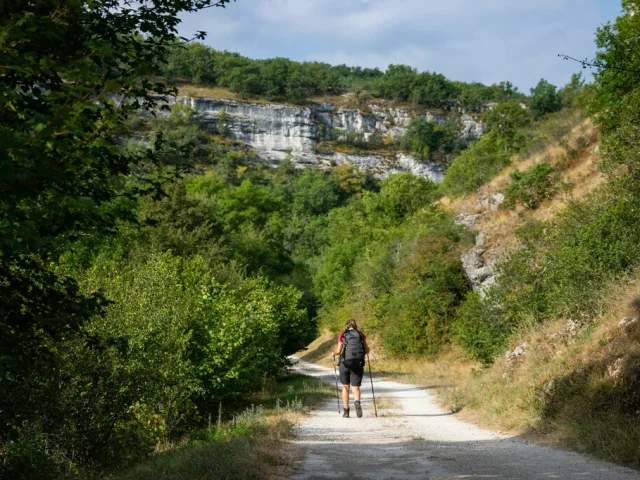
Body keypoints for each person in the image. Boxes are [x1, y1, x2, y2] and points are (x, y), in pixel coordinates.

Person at [330, 319, 370, 418]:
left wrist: (333, 353)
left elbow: (339, 351)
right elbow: (366, 350)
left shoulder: (342, 334)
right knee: (355, 388)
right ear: (355, 325)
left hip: (345, 364)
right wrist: (367, 350)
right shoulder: (361, 334)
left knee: (346, 387)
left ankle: (346, 411)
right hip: (357, 363)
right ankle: (357, 402)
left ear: (346, 326)